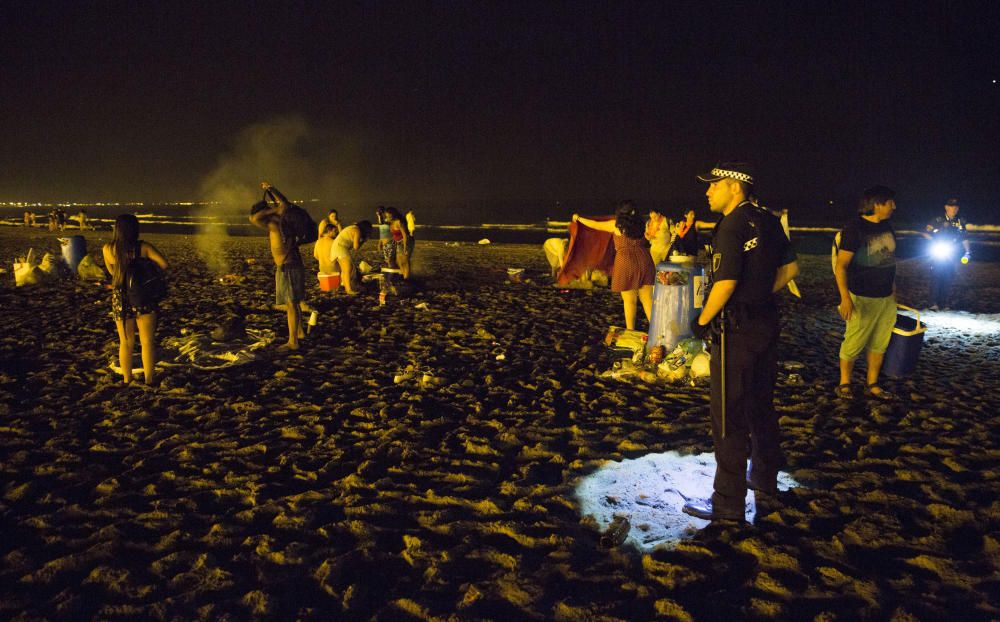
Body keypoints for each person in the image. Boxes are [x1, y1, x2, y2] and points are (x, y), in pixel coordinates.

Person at [682, 163, 799, 523]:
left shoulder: (731, 225)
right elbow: (791, 270)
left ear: (734, 187)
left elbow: (725, 283)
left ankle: (728, 502)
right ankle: (765, 479)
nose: (707, 192)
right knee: (761, 406)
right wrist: (759, 295)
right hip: (766, 323)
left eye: (713, 186)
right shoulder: (767, 220)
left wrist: (701, 321)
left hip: (736, 330)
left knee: (728, 415)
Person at [834, 185, 898, 400]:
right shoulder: (855, 228)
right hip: (861, 295)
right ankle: (844, 383)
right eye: (890, 203)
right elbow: (841, 266)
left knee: (880, 343)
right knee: (853, 341)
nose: (894, 207)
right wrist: (845, 298)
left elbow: (890, 260)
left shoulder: (888, 226)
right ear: (877, 205)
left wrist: (894, 292)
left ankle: (872, 383)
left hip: (886, 297)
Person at [102, 214, 169, 386]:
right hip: (143, 295)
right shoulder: (143, 247)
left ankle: (127, 379)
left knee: (125, 342)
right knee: (147, 342)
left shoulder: (108, 249)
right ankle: (149, 379)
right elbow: (164, 265)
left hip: (120, 297)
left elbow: (112, 274)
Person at [574, 201, 655, 330]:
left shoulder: (616, 225)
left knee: (629, 301)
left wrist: (578, 218)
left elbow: (595, 225)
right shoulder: (643, 224)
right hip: (645, 259)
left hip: (626, 261)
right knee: (648, 300)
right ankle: (656, 331)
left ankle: (630, 330)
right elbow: (651, 238)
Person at [250, 181, 305, 351]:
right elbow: (285, 204)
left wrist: (272, 208)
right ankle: (300, 332)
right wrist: (271, 190)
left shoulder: (274, 223)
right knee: (293, 303)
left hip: (288, 266)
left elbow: (254, 218)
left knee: (290, 304)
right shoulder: (281, 219)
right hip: (290, 264)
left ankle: (293, 341)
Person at [923, 198, 970, 310]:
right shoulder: (937, 220)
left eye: (955, 207)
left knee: (949, 277)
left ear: (958, 209)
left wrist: (968, 252)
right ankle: (933, 303)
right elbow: (925, 233)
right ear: (946, 207)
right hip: (939, 251)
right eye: (951, 207)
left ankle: (944, 303)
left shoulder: (960, 222)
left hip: (952, 253)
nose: (953, 209)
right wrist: (934, 242)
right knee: (936, 276)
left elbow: (964, 238)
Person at [329, 221, 374, 294]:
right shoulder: (357, 231)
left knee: (345, 269)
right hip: (340, 247)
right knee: (347, 269)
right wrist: (364, 241)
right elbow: (356, 247)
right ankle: (348, 289)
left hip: (337, 247)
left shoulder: (354, 228)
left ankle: (345, 286)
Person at [384, 207, 414, 279]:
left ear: (394, 215)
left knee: (404, 261)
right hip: (397, 242)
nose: (388, 217)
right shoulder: (390, 222)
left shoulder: (399, 221)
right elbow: (394, 235)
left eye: (390, 216)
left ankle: (407, 278)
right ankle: (404, 275)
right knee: (399, 261)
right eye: (387, 216)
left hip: (405, 241)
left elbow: (404, 234)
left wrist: (405, 247)